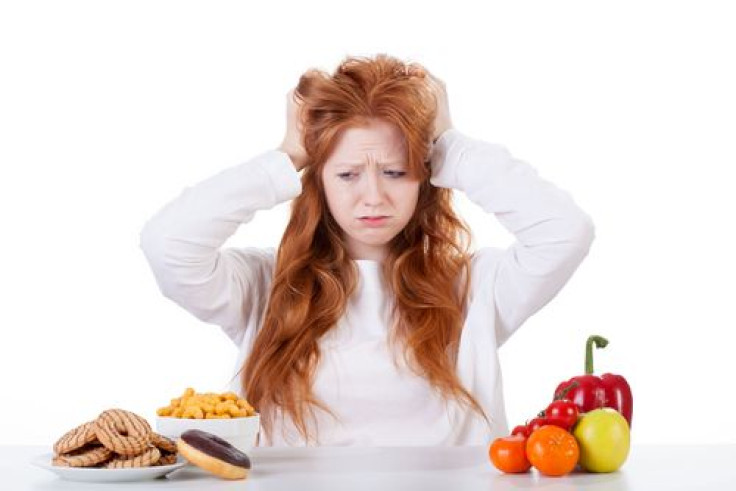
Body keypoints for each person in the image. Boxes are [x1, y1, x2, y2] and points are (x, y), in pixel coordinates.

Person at [139, 54, 595, 447]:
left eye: (396, 172)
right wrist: (288, 155)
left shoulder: (475, 289)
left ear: (425, 175)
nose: (373, 197)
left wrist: (450, 141)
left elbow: (566, 232)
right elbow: (168, 244)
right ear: (317, 183)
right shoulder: (265, 286)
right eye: (348, 174)